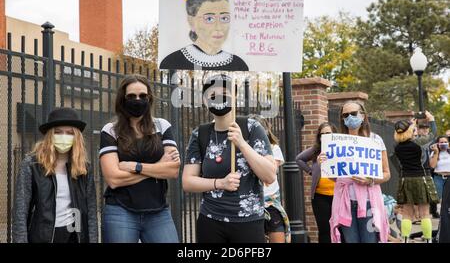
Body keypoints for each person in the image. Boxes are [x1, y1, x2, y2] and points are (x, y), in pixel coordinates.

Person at [182, 74, 276, 243]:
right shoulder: (200, 134)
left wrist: (241, 143)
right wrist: (220, 183)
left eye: (225, 92)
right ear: (205, 101)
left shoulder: (251, 128)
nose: (219, 98)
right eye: (212, 95)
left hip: (249, 223)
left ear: (235, 96)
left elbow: (269, 175)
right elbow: (188, 182)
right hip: (210, 222)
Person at [99, 74, 181, 243]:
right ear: (123, 99)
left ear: (149, 98)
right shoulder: (110, 130)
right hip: (120, 210)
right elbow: (114, 179)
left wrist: (135, 166)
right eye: (132, 96)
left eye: (143, 96)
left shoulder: (162, 126)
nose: (138, 100)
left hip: (158, 211)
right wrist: (158, 167)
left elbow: (173, 170)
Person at [12, 107, 97, 243]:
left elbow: (91, 212)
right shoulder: (32, 165)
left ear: (76, 137)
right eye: (58, 132)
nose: (64, 137)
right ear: (50, 135)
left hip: (73, 234)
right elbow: (20, 211)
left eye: (69, 133)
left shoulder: (84, 168)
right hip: (42, 236)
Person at [320, 101, 391, 243]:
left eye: (353, 114)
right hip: (345, 202)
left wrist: (370, 180)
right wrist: (324, 164)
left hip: (369, 202)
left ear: (363, 116)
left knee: (369, 240)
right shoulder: (337, 142)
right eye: (345, 115)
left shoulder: (375, 140)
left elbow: (387, 173)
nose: (349, 118)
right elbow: (336, 178)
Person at [160, 0, 248, 71]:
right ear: (191, 22)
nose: (218, 27)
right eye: (209, 19)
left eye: (224, 18)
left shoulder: (239, 64)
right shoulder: (172, 62)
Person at [393, 119, 439, 243]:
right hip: (421, 178)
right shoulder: (418, 143)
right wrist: (432, 120)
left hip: (405, 180)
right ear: (410, 131)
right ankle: (428, 240)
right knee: (424, 213)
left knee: (407, 214)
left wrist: (411, 126)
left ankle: (405, 239)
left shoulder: (397, 147)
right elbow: (434, 134)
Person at [250, 114, 291, 243]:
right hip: (252, 202)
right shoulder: (245, 150)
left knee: (277, 234)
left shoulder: (274, 148)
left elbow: (270, 174)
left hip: (270, 201)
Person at [296, 122, 337, 243]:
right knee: (324, 230)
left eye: (328, 133)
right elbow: (299, 159)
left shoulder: (341, 148)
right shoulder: (316, 149)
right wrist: (311, 171)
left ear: (334, 134)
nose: (324, 136)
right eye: (322, 134)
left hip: (339, 195)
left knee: (341, 228)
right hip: (320, 197)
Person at [429, 135, 450, 209]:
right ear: (438, 143)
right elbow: (432, 166)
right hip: (439, 178)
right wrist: (436, 152)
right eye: (441, 142)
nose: (443, 143)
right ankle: (444, 217)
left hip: (449, 178)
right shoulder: (434, 153)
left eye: (445, 142)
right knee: (441, 200)